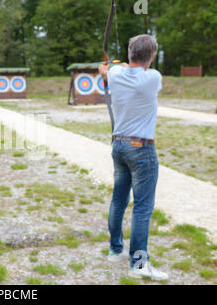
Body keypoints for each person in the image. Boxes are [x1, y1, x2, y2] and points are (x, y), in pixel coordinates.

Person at [99, 34, 168, 281]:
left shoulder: (115, 74)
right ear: (151, 57)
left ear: (129, 54)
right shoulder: (153, 78)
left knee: (119, 200)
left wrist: (105, 69)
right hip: (141, 149)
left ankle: (115, 250)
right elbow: (136, 69)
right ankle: (139, 264)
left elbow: (110, 71)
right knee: (142, 208)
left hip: (119, 147)